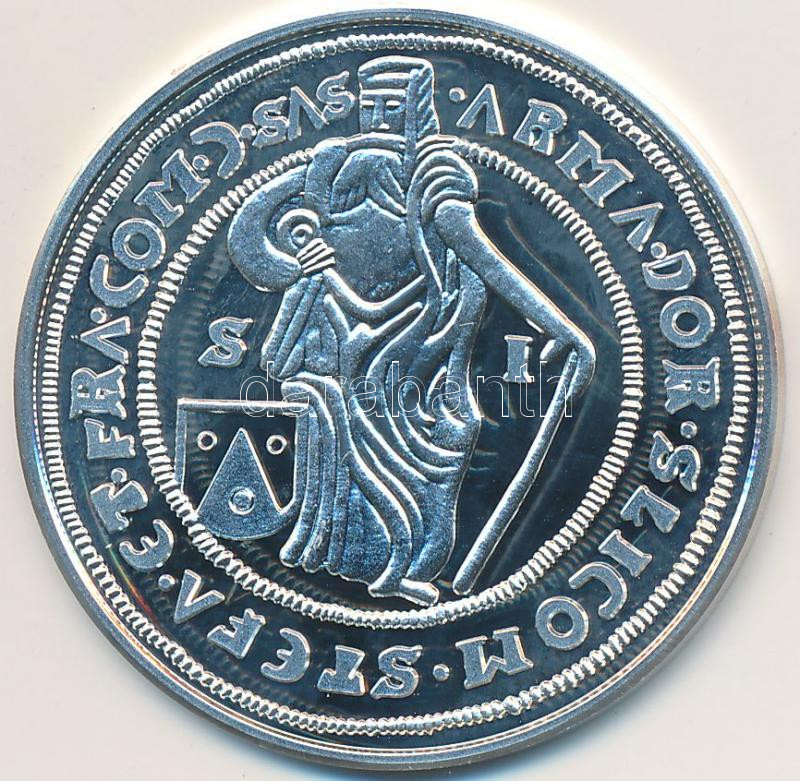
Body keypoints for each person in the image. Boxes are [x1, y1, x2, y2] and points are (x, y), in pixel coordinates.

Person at [224, 56, 594, 605]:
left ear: (419, 113)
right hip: (354, 362)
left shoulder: (435, 180)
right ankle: (378, 567)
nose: (379, 119)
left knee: (440, 446)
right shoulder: (335, 175)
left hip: (420, 359)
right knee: (384, 458)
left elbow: (481, 257)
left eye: (393, 108)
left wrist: (559, 327)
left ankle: (398, 566)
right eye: (371, 107)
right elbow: (261, 251)